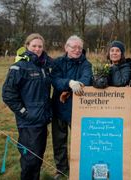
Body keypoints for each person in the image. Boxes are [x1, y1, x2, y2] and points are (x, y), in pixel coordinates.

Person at [2, 33, 53, 180]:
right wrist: (25, 113)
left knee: (37, 158)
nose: (37, 49)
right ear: (27, 46)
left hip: (42, 120)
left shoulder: (44, 65)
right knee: (30, 160)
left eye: (40, 46)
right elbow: (8, 95)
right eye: (34, 46)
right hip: (28, 122)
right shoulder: (19, 67)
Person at [51, 35, 92, 179]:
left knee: (79, 141)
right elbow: (55, 80)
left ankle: (80, 168)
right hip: (58, 107)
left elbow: (86, 80)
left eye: (80, 47)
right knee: (59, 142)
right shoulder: (58, 62)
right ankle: (61, 170)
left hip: (78, 109)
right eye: (73, 47)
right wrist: (69, 83)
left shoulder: (86, 64)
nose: (77, 50)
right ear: (66, 47)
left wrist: (70, 89)